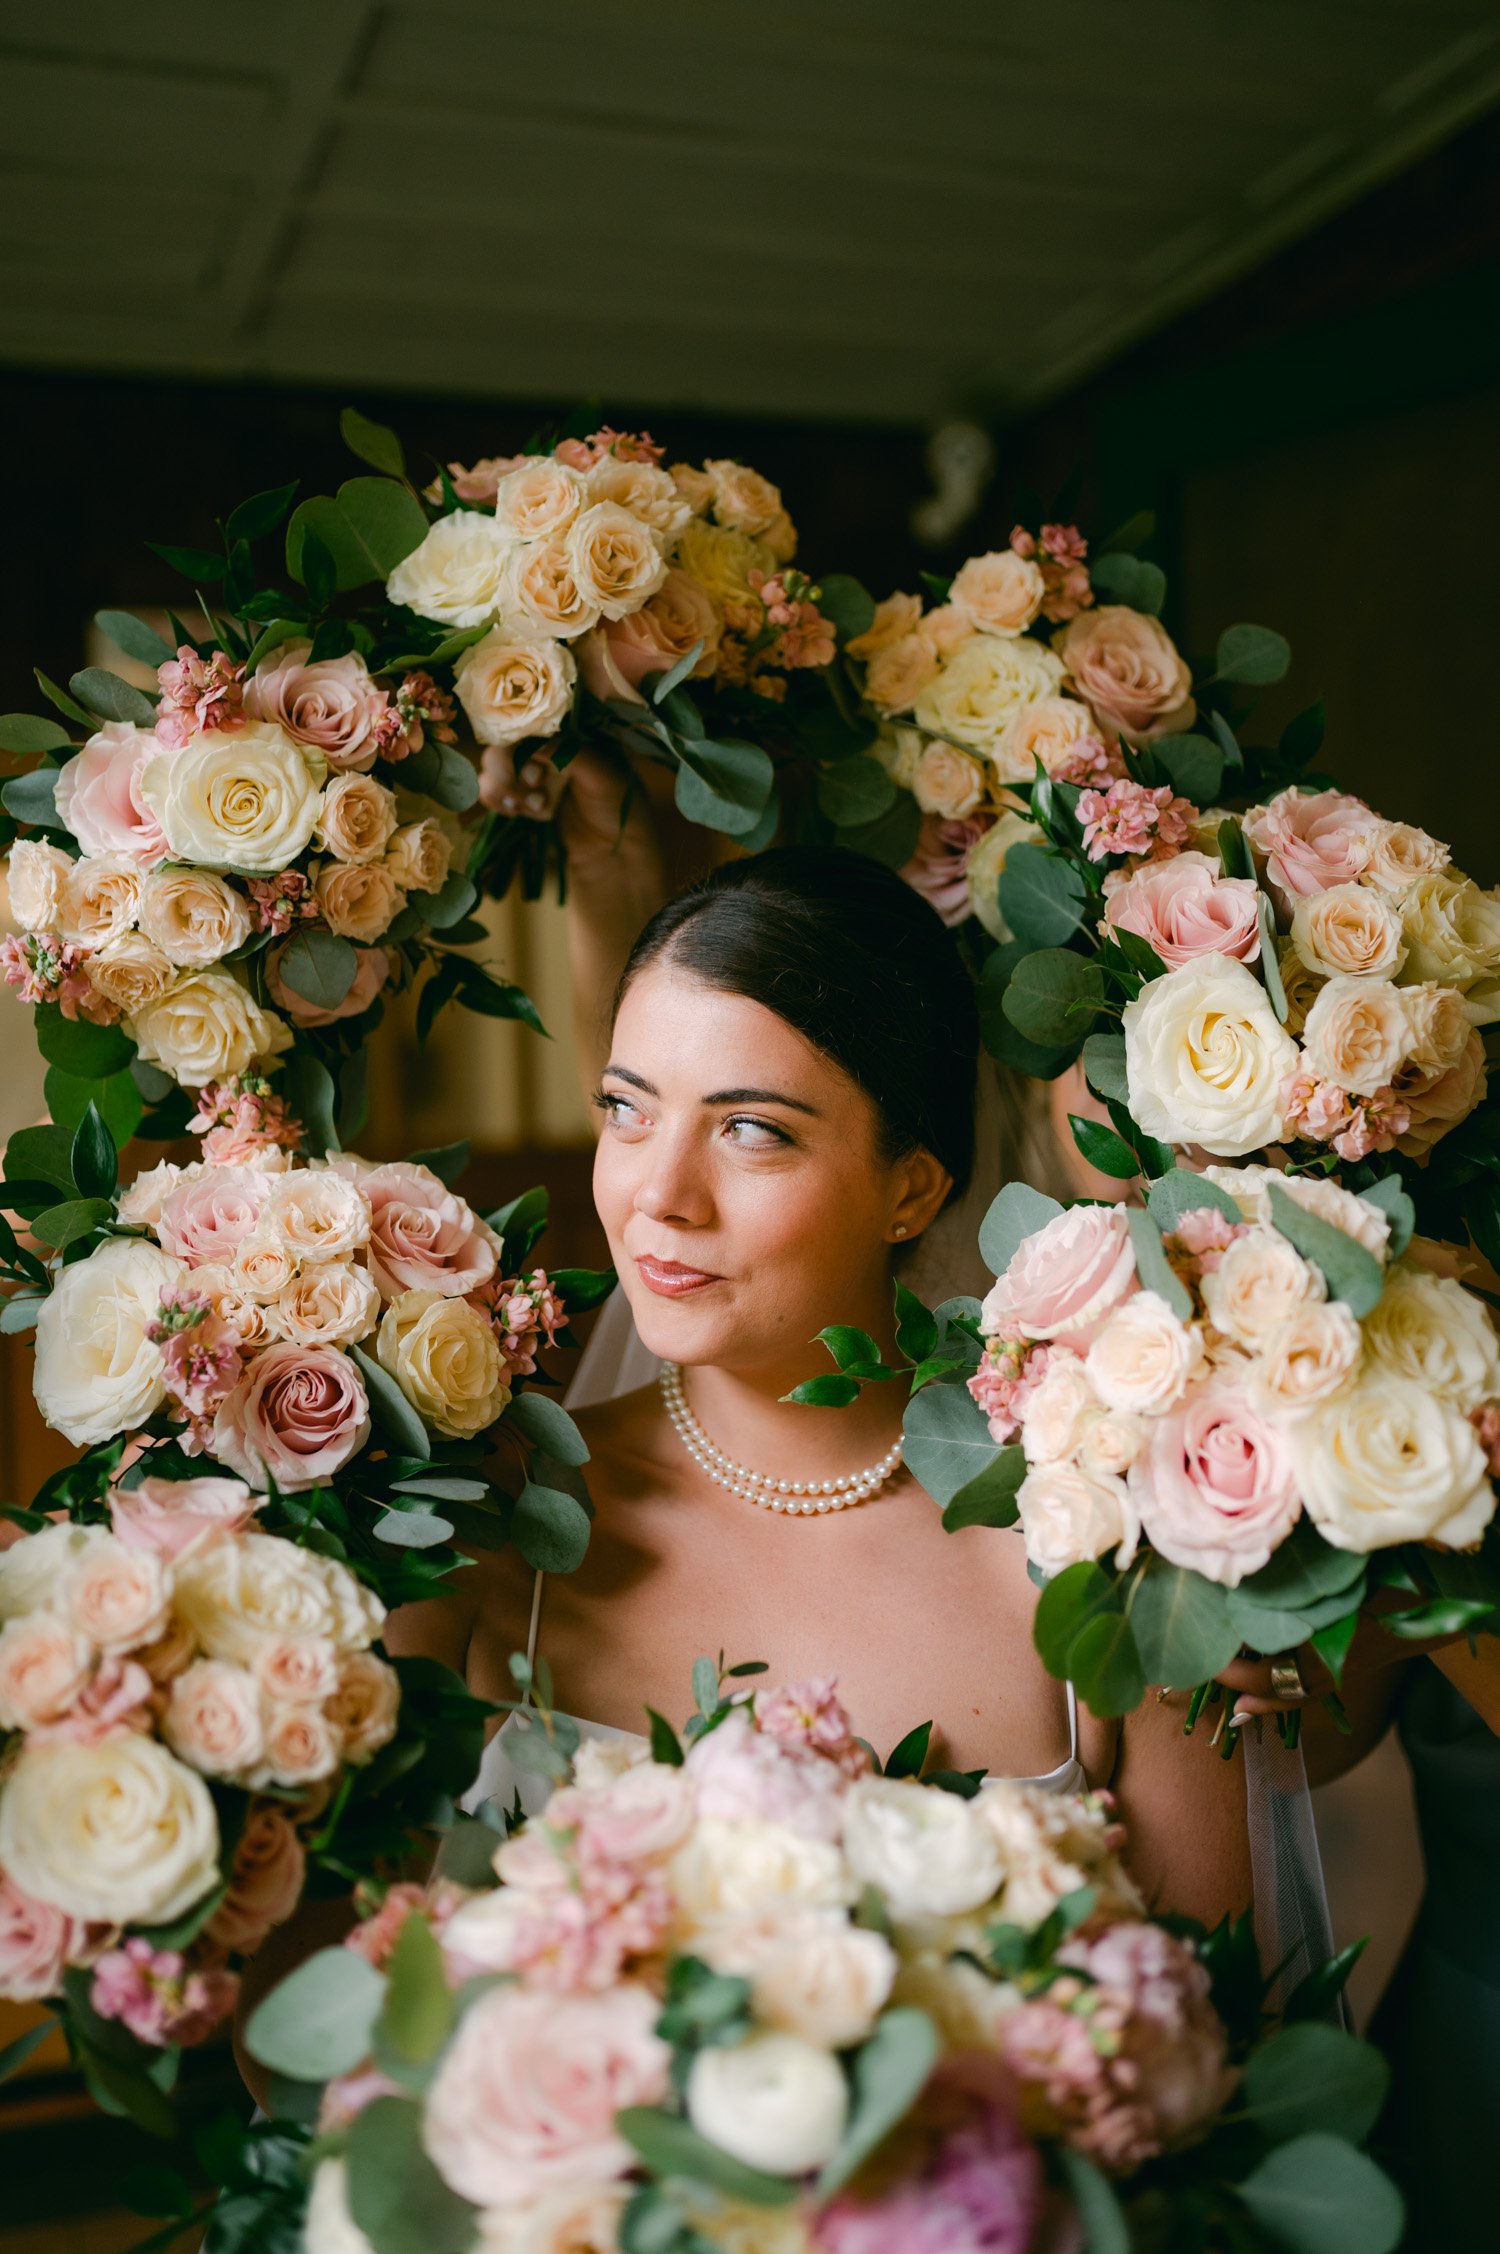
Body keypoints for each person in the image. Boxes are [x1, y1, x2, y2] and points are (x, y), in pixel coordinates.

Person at [388, 846, 1253, 1927]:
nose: (660, 1194)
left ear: (913, 1188)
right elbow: (317, 2037)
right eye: (627, 1108)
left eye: (751, 1129)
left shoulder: (1111, 1554)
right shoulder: (483, 1524)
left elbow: (1215, 2038)